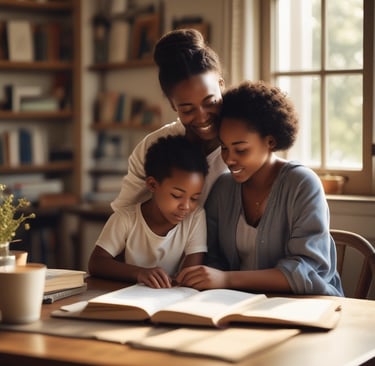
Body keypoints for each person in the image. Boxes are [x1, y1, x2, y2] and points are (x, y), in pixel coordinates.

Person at [176, 80, 344, 296]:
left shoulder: (302, 184)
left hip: (305, 306)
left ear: (271, 142)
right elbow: (212, 257)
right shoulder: (223, 188)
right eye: (224, 148)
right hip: (237, 305)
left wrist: (227, 279)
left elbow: (306, 271)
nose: (229, 159)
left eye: (241, 150)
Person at [111, 28, 227, 211]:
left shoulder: (245, 144)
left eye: (210, 102)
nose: (202, 116)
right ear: (173, 106)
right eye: (187, 109)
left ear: (221, 85)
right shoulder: (153, 147)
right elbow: (123, 214)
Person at [88, 135, 209, 288]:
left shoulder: (195, 217)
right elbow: (96, 262)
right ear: (152, 185)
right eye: (177, 195)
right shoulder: (125, 219)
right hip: (128, 298)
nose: (186, 206)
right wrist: (140, 273)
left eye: (194, 198)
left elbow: (190, 274)